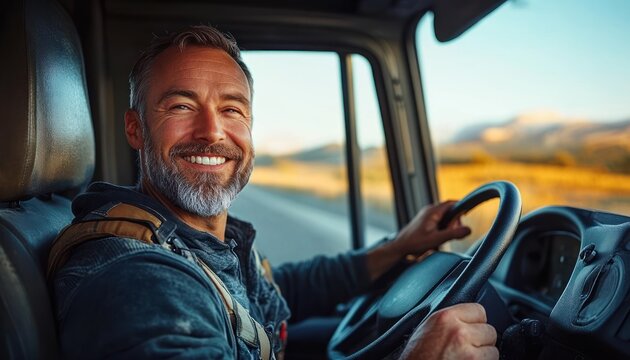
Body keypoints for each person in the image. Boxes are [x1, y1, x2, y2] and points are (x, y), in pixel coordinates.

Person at [49, 25, 498, 359]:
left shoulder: (194, 245)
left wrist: (401, 246)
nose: (212, 132)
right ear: (136, 129)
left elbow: (278, 291)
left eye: (232, 109)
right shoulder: (140, 281)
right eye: (182, 106)